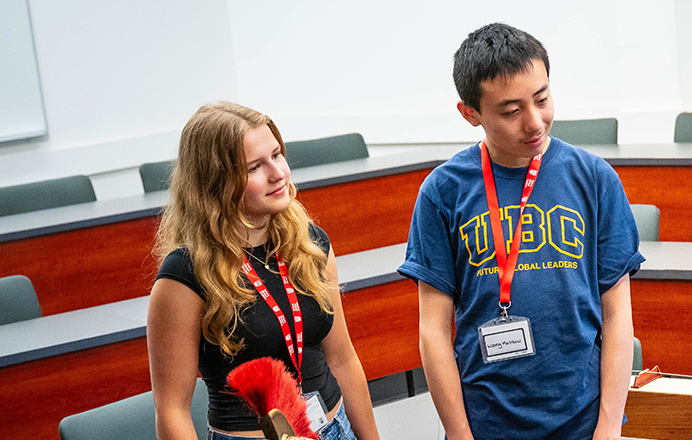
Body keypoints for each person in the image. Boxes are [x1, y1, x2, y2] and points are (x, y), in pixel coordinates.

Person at [399, 23, 643, 440]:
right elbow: (433, 329)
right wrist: (459, 433)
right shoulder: (444, 191)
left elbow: (618, 314)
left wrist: (607, 426)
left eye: (542, 99)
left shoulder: (595, 178)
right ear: (470, 113)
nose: (535, 122)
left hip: (582, 421)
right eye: (512, 111)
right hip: (485, 422)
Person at [147, 102, 380, 440]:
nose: (278, 173)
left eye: (277, 155)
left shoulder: (310, 244)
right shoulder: (185, 274)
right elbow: (172, 410)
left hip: (334, 428)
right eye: (255, 167)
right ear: (217, 183)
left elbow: (342, 359)